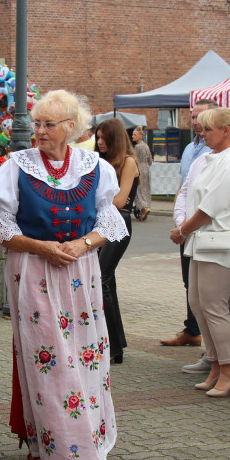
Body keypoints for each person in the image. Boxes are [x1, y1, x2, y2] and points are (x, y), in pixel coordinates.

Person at [0, 90, 126, 460]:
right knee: (47, 357)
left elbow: (109, 221)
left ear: (71, 127)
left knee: (86, 354)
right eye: (37, 124)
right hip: (33, 270)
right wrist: (41, 247)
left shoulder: (94, 166)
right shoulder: (15, 167)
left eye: (49, 124)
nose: (40, 131)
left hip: (80, 271)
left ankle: (75, 440)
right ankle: (64, 452)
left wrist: (83, 245)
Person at [169, 107, 230, 398]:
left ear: (225, 131)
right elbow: (193, 197)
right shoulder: (214, 159)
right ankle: (217, 364)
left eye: (207, 129)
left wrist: (183, 230)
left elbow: (210, 207)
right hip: (205, 241)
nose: (201, 134)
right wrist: (185, 227)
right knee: (199, 303)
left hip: (220, 243)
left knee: (215, 308)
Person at [162, 98, 216, 349]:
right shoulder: (189, 149)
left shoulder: (216, 152)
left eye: (201, 117)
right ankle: (192, 330)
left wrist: (186, 226)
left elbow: (210, 199)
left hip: (204, 228)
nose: (195, 122)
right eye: (193, 117)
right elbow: (183, 188)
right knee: (189, 282)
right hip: (186, 227)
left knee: (208, 288)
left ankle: (209, 340)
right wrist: (179, 222)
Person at [95, 118, 139, 364]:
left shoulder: (128, 162)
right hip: (100, 224)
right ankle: (114, 343)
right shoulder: (100, 162)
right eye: (98, 138)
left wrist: (93, 201)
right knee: (105, 282)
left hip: (118, 224)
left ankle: (113, 344)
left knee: (101, 279)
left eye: (104, 138)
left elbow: (121, 201)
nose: (100, 142)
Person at [131, 125, 152, 221]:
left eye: (135, 135)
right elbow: (150, 160)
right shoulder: (146, 146)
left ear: (140, 136)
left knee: (138, 190)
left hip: (139, 168)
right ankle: (147, 205)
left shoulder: (138, 147)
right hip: (146, 168)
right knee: (146, 189)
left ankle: (144, 207)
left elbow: (134, 159)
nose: (132, 136)